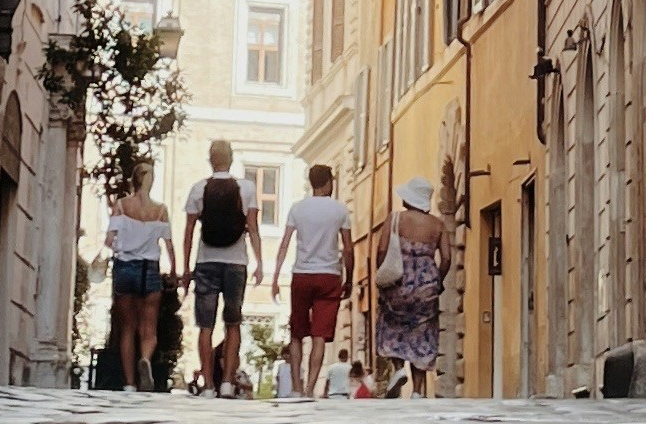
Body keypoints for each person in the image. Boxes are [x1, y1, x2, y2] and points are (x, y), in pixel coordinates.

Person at [181, 139, 262, 393]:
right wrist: (260, 262)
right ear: (232, 159)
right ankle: (227, 382)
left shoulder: (199, 188)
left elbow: (189, 231)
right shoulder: (246, 188)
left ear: (210, 160)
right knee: (233, 322)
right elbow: (253, 227)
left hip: (206, 261)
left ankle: (208, 384)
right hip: (236, 262)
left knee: (205, 326)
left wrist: (186, 268)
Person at [272, 160, 356, 400]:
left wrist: (276, 276)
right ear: (329, 183)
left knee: (297, 333)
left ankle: (296, 387)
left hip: (302, 274)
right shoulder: (340, 210)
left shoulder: (297, 209)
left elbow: (285, 243)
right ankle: (310, 388)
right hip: (329, 275)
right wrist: (349, 278)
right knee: (320, 335)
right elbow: (348, 248)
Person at [372, 177, 451, 396]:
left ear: (408, 199)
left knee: (392, 323)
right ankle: (417, 390)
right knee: (422, 332)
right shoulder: (438, 225)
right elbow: (446, 258)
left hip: (398, 281)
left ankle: (398, 368)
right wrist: (437, 281)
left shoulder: (395, 218)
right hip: (426, 284)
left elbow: (382, 250)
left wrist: (382, 275)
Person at [102, 175, 172, 391]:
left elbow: (109, 240)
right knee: (148, 328)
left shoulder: (121, 206)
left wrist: (122, 248)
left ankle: (130, 383)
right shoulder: (160, 210)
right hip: (149, 268)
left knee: (127, 328)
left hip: (125, 268)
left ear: (133, 181)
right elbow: (168, 243)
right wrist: (175, 269)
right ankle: (145, 358)